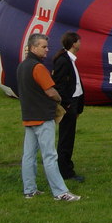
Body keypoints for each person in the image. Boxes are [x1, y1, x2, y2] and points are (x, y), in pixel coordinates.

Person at [17, 33, 81, 201]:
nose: (47, 50)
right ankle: (60, 192)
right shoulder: (38, 68)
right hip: (43, 117)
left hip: (28, 116)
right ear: (33, 48)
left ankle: (29, 190)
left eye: (47, 46)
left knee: (28, 155)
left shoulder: (22, 66)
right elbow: (51, 91)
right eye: (43, 47)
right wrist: (60, 99)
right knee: (50, 156)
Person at [52, 32, 85, 182]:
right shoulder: (63, 61)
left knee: (69, 137)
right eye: (79, 41)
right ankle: (65, 171)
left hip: (74, 102)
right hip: (69, 104)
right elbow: (59, 84)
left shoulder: (70, 60)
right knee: (66, 138)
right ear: (74, 44)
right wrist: (67, 104)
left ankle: (66, 167)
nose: (80, 43)